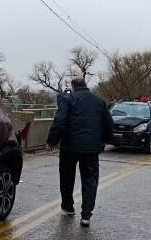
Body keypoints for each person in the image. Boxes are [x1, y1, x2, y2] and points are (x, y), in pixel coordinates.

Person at [46, 77, 114, 227]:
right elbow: (109, 124)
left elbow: (60, 121)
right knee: (90, 180)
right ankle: (86, 215)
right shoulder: (99, 102)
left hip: (69, 147)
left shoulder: (68, 99)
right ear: (85, 85)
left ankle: (68, 206)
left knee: (66, 177)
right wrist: (103, 141)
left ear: (73, 86)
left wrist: (51, 141)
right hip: (91, 148)